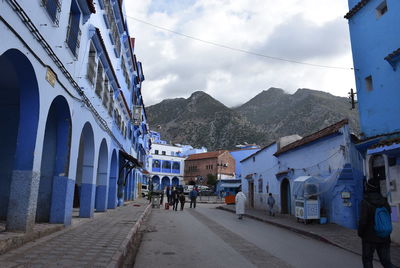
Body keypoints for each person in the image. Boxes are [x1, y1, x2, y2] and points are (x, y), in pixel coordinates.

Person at [358, 178, 393, 268]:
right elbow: (389, 215)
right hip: (384, 235)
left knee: (367, 260)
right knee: (386, 262)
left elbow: (363, 221)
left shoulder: (365, 202)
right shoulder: (384, 201)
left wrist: (360, 233)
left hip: (369, 237)